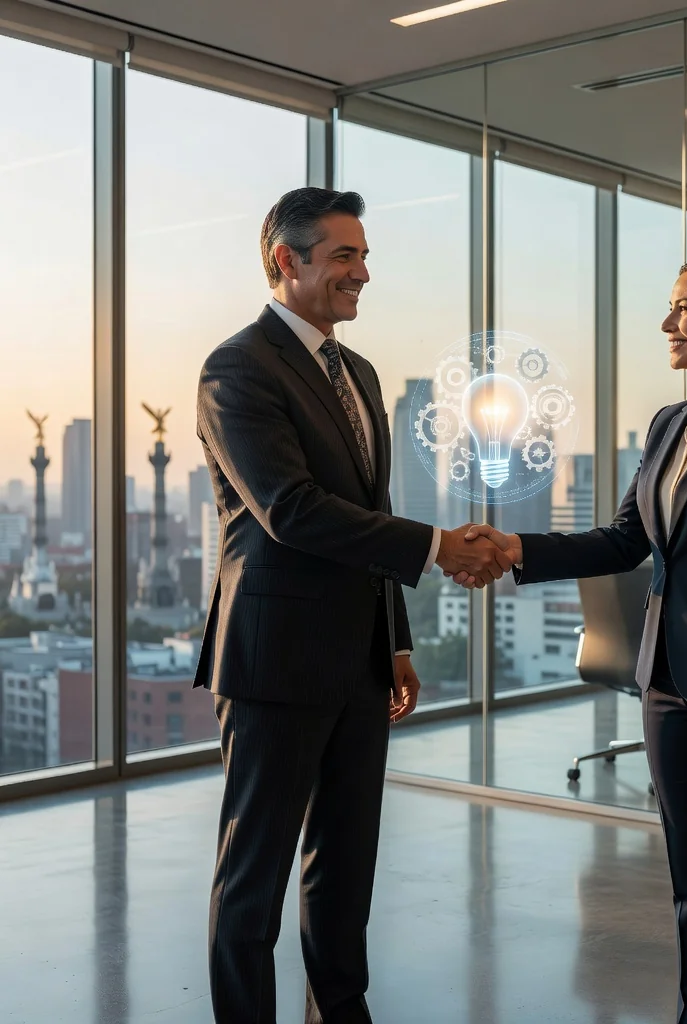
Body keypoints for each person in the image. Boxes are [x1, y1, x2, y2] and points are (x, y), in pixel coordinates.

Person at [458, 254, 687, 1024]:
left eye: (684, 307)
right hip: (663, 676)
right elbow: (626, 539)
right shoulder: (669, 424)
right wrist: (519, 548)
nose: (669, 323)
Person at [194, 187, 513, 1024]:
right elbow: (291, 510)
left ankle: (341, 1012)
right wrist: (439, 547)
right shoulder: (237, 368)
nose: (362, 274)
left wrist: (396, 640)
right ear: (284, 262)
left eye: (363, 256)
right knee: (253, 878)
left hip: (359, 660)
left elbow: (365, 514)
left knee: (345, 868)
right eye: (344, 256)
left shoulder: (359, 373)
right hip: (274, 660)